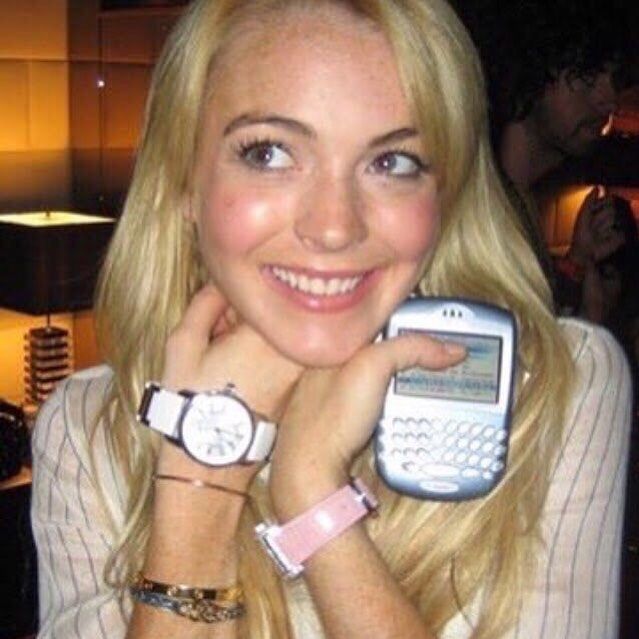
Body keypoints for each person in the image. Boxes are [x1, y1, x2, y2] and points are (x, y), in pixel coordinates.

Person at [30, 1, 632, 638]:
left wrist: (315, 497)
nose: (334, 226)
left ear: (445, 193)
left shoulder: (554, 391)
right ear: (184, 181)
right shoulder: (88, 431)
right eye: (268, 153)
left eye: (392, 162)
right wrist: (202, 474)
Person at [453, 0, 632, 317]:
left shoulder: (515, 203)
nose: (609, 101)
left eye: (612, 80)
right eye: (588, 76)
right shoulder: (476, 217)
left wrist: (578, 261)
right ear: (533, 74)